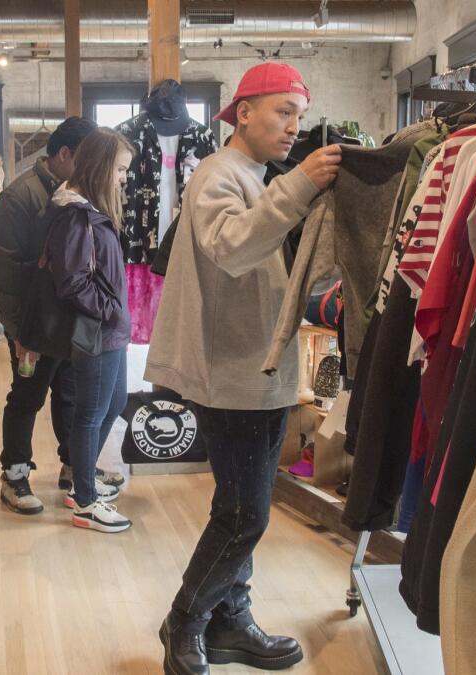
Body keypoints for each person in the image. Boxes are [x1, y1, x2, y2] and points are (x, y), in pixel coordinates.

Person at [145, 63, 342, 674]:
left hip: (247, 366)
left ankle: (232, 622)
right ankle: (185, 621)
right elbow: (232, 245)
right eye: (283, 111)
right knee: (244, 514)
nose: (293, 127)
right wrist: (301, 185)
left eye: (299, 116)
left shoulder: (250, 173)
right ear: (244, 111)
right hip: (234, 372)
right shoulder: (221, 174)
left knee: (237, 503)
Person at [0, 117, 126, 515]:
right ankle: (14, 474)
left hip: (74, 322)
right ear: (66, 155)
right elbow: (7, 273)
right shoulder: (21, 197)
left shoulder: (78, 193)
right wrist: (17, 332)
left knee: (71, 397)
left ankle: (74, 468)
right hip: (38, 322)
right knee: (28, 395)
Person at [41, 127, 135, 533]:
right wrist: (111, 311)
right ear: (100, 168)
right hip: (97, 330)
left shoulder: (89, 212)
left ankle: (84, 481)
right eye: (119, 169)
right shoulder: (77, 216)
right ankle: (85, 500)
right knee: (92, 415)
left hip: (108, 329)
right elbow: (73, 282)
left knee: (111, 407)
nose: (123, 178)